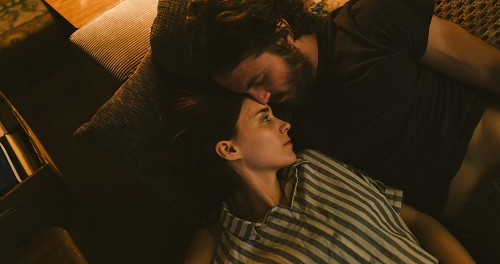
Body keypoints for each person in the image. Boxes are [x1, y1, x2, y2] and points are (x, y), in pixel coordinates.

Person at [185, 0, 500, 262]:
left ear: (282, 32)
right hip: (471, 226)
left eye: (259, 79)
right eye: (247, 92)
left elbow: (490, 70)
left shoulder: (370, 21)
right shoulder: (286, 130)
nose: (260, 98)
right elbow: (226, 208)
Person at [167, 85, 475, 264]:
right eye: (264, 119)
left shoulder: (316, 166)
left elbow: (416, 221)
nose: (283, 125)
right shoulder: (228, 245)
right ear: (229, 149)